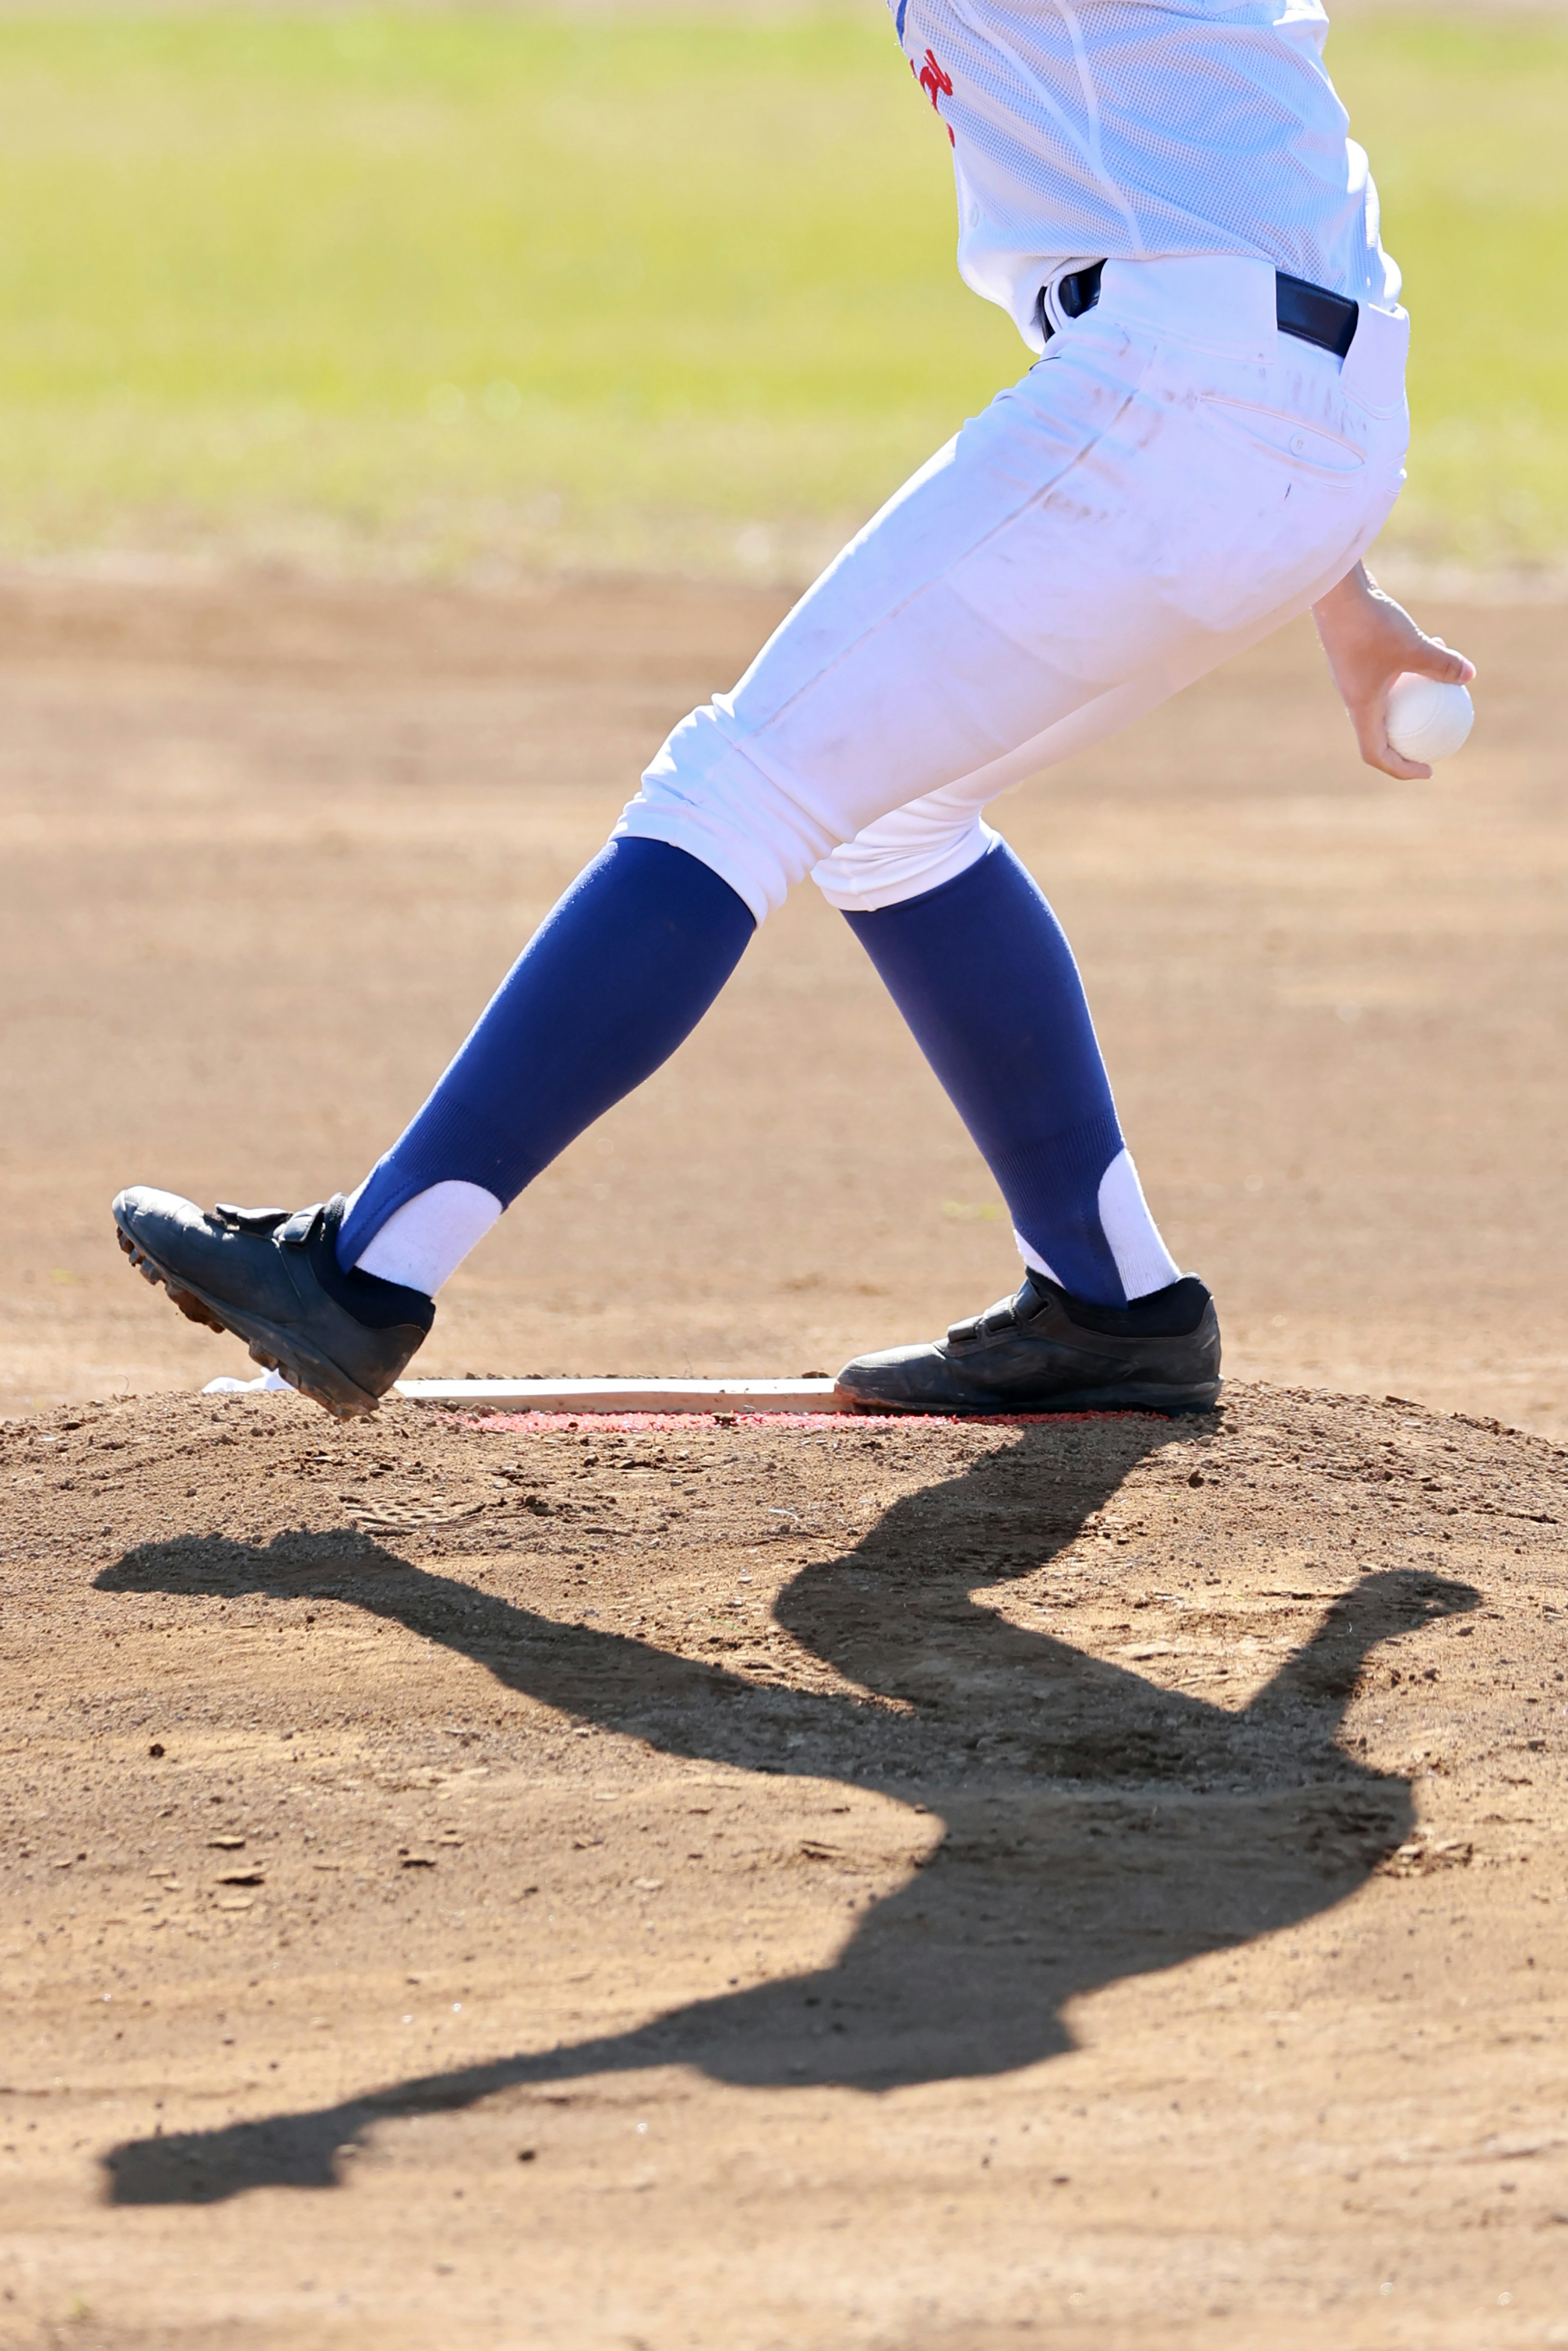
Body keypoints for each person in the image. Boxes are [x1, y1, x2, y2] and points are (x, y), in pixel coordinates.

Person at [113, 0, 1473, 1422]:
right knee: (890, 824)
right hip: (1290, 415)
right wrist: (1344, 591)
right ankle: (1110, 1303)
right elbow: (1232, 180)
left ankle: (369, 1270)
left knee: (735, 789)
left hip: (1186, 394)